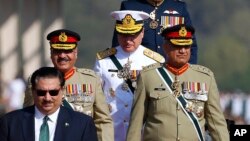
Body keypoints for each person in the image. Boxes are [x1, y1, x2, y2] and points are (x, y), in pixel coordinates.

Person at [126, 24, 229, 141]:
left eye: (187, 46)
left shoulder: (205, 77)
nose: (183, 51)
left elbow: (216, 122)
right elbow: (136, 122)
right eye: (177, 46)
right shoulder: (148, 76)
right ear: (165, 47)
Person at [23, 29, 114, 141]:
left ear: (75, 52)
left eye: (67, 51)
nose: (62, 56)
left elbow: (102, 121)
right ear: (51, 53)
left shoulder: (91, 80)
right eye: (57, 51)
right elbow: (27, 119)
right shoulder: (37, 80)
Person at [94, 10, 165, 141]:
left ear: (142, 33)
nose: (128, 40)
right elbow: (97, 97)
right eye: (123, 34)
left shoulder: (155, 61)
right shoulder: (104, 60)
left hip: (143, 132)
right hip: (112, 130)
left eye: (133, 35)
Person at [0, 67, 98, 141]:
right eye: (41, 93)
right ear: (33, 92)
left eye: (53, 92)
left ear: (62, 91)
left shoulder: (82, 124)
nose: (47, 98)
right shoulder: (10, 123)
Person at [112, 0, 198, 64]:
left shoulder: (179, 7)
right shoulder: (130, 5)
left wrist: (188, 71)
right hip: (139, 67)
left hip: (170, 68)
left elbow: (190, 44)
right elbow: (119, 42)